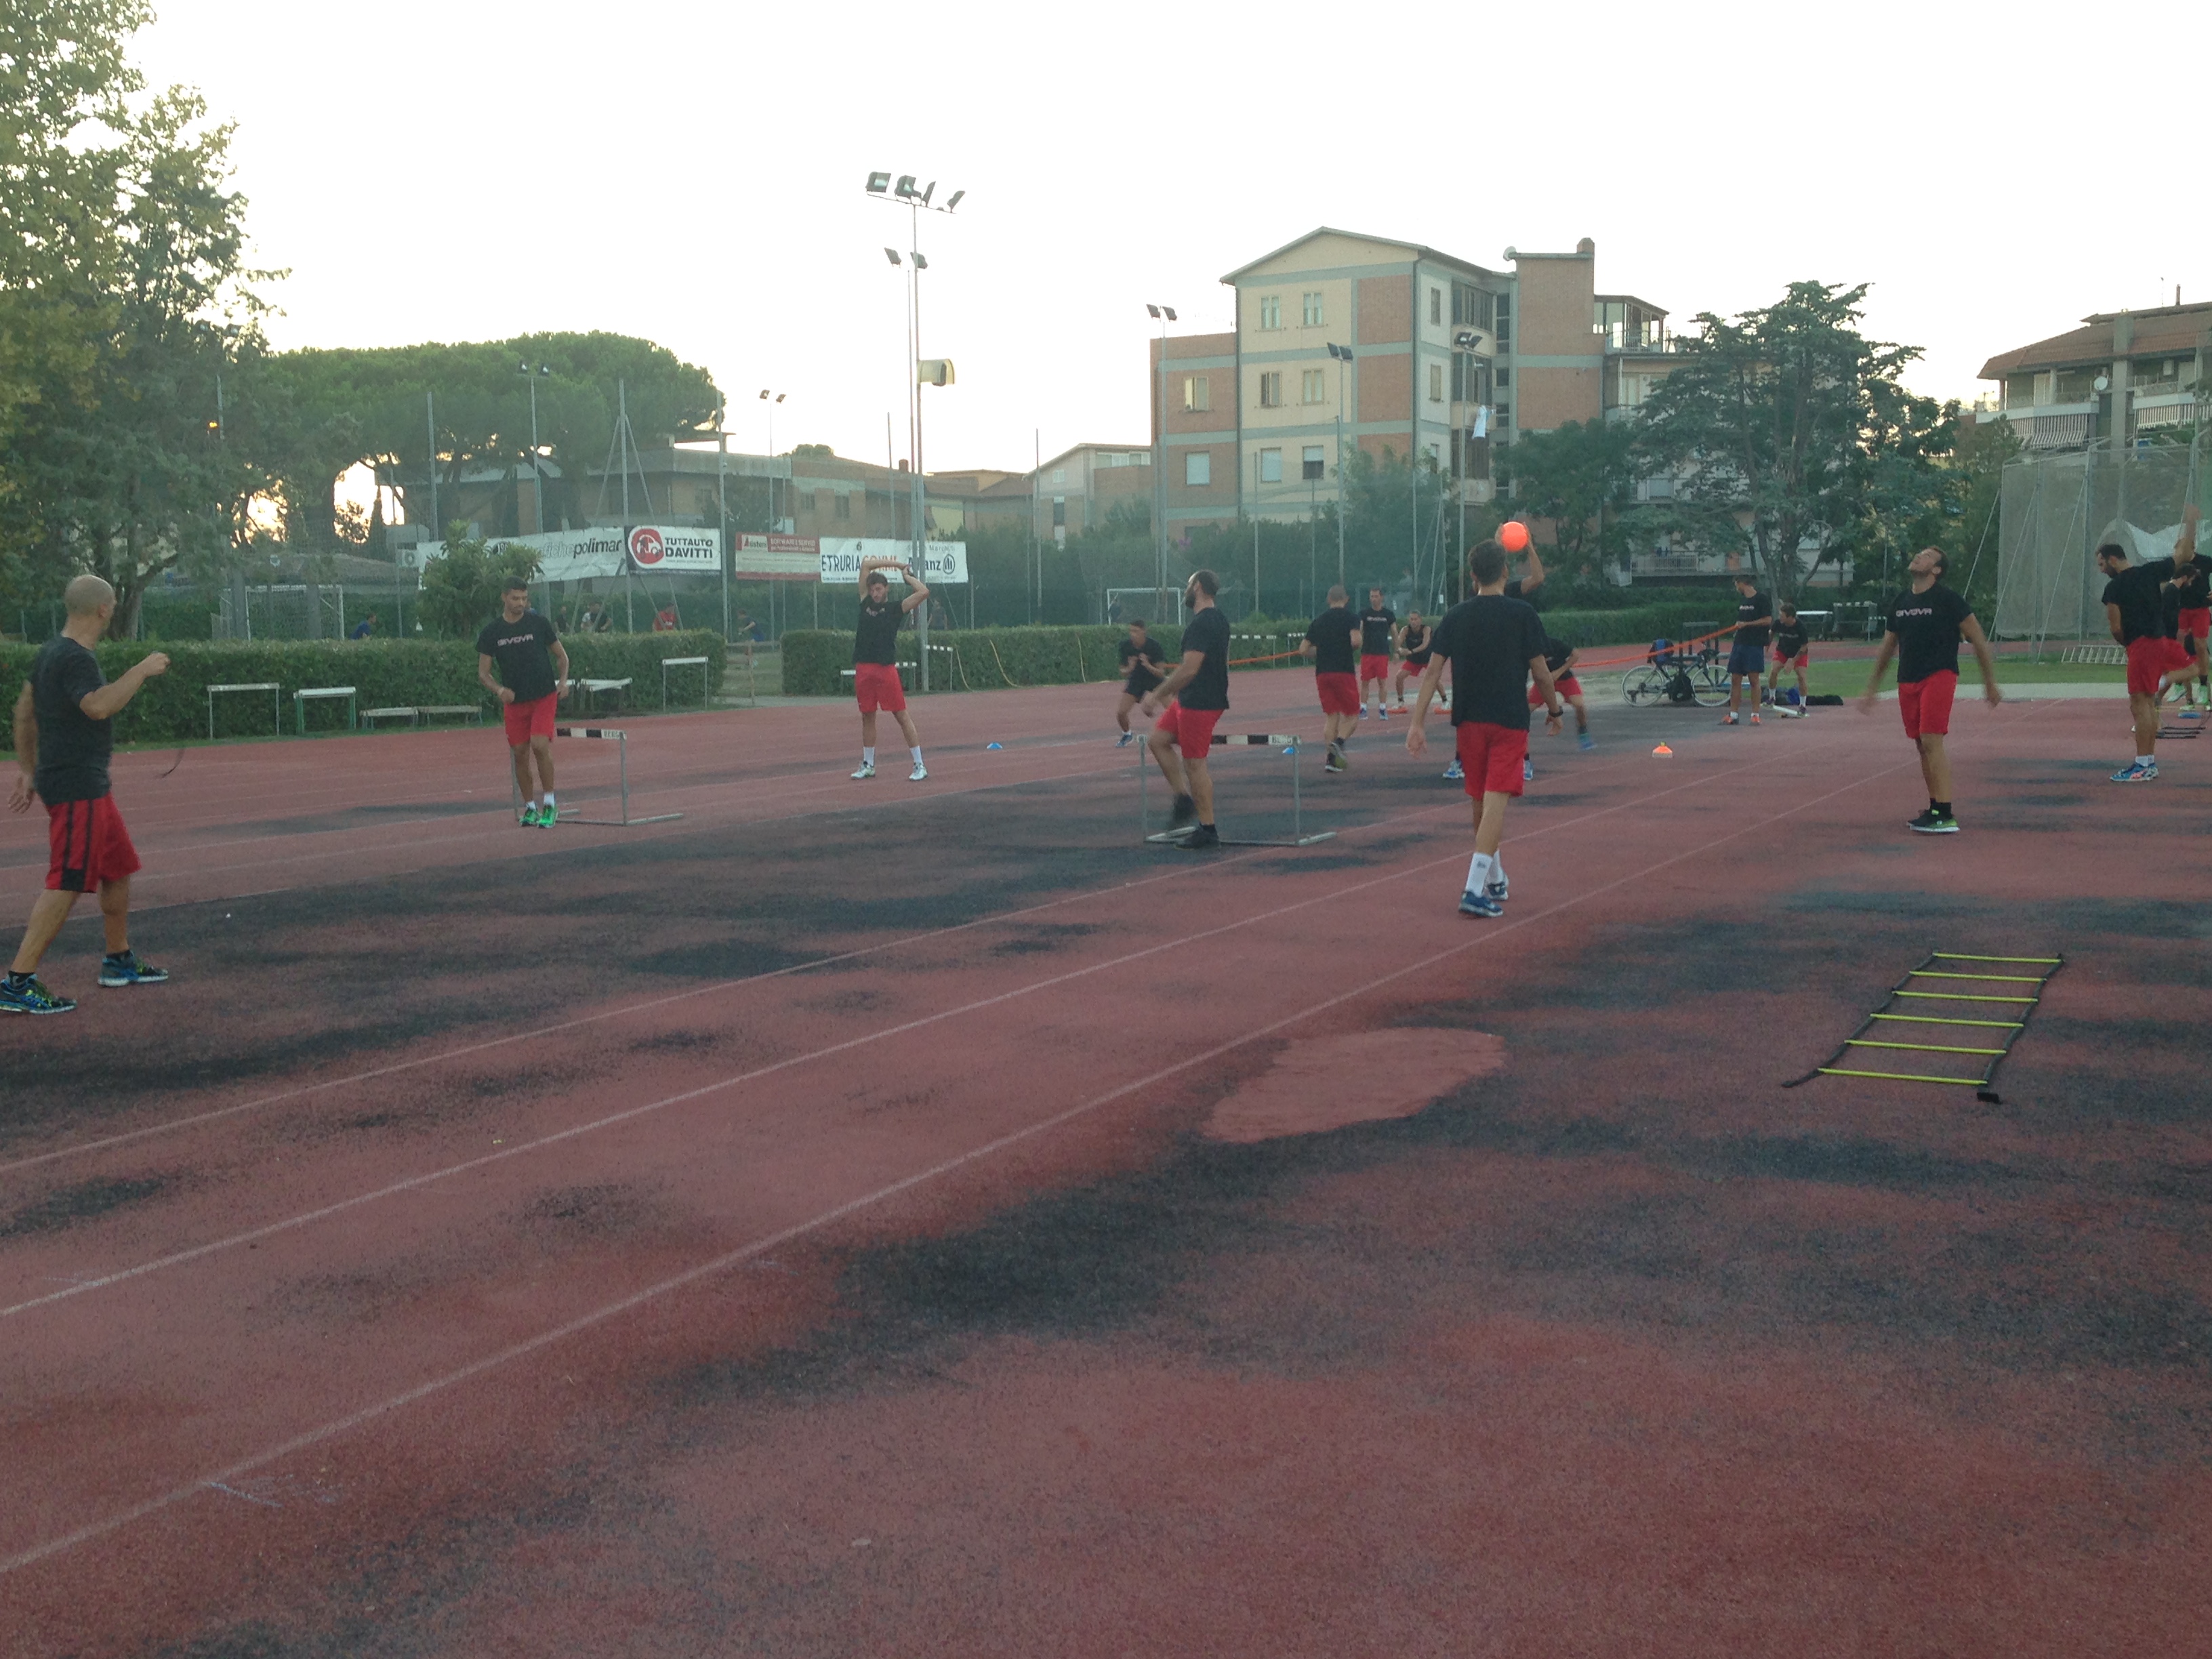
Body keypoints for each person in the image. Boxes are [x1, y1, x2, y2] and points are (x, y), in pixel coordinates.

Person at [3, 575, 170, 1015]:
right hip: (76, 784)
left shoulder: (50, 652)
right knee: (68, 878)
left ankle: (118, 959)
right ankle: (18, 982)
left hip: (81, 782)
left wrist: (27, 769)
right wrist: (141, 670)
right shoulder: (76, 658)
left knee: (118, 867)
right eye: (112, 604)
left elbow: (24, 711)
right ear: (103, 609)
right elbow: (97, 705)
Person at [1407, 540, 1561, 918]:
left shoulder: (1456, 616)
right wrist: (1555, 709)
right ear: (1505, 571)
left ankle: (1494, 877)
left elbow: (1431, 672)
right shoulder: (1522, 613)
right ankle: (1473, 889)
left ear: (1473, 576)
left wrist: (1417, 723)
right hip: (1508, 719)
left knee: (1480, 801)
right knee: (1495, 803)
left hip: (1469, 721)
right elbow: (1542, 672)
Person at [1855, 547, 2002, 832]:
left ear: (1936, 570)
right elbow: (1887, 647)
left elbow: (1978, 639)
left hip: (1939, 675)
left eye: (1927, 556)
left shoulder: (1948, 600)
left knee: (1932, 740)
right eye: (1919, 553)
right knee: (1921, 745)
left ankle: (1945, 813)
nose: (1919, 557)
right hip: (1907, 679)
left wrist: (1989, 683)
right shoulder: (1901, 602)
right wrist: (1872, 688)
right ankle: (1935, 807)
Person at [2097, 509, 2198, 782]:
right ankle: (2148, 762)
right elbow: (2184, 554)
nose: (2102, 569)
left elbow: (2116, 627)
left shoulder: (2114, 588)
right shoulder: (2151, 572)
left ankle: (2143, 764)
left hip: (2140, 646)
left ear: (2113, 558)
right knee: (2146, 704)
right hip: (2158, 641)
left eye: (2102, 564)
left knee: (2140, 704)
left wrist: (2128, 645)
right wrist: (2190, 522)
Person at [1139, 569, 1231, 850]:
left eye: (1189, 584)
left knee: (1195, 764)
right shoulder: (1220, 619)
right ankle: (1183, 799)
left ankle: (1208, 829)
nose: (1186, 590)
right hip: (1192, 699)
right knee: (1158, 740)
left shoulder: (1201, 624)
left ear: (1199, 587)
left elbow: (1190, 669)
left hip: (1200, 702)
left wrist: (1157, 694)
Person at [477, 579, 571, 827]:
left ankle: (550, 804)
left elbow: (562, 657)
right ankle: (530, 807)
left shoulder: (538, 623)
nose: (520, 603)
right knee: (520, 753)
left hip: (543, 696)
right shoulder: (492, 632)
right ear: (504, 598)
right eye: (515, 598)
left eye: (524, 598)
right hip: (515, 701)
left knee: (539, 745)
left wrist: (563, 682)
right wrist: (499, 690)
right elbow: (484, 673)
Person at [852, 556, 928, 781]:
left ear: (886, 589)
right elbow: (866, 565)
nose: (875, 593)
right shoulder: (865, 602)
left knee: (901, 715)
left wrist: (906, 575)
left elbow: (923, 592)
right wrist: (895, 564)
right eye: (872, 589)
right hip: (864, 668)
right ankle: (868, 764)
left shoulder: (896, 608)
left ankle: (919, 765)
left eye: (878, 589)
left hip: (885, 670)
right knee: (867, 716)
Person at [1300, 585, 1362, 773]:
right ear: (1346, 599)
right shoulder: (1351, 618)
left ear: (1328, 599)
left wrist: (1321, 652)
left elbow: (1303, 650)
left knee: (1331, 716)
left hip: (1323, 673)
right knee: (1352, 715)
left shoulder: (1318, 621)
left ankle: (1330, 760)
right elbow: (1356, 641)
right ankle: (1339, 742)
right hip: (1343, 671)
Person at [1524, 634, 1593, 776]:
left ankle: (1583, 732)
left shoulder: (1552, 643)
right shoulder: (1528, 648)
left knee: (1579, 705)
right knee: (1523, 712)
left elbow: (1576, 654)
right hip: (1543, 683)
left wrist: (1558, 672)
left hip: (1564, 679)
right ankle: (1524, 758)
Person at [1721, 571, 1773, 725]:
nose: (1736, 588)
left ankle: (1755, 714)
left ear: (1742, 583)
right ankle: (1733, 714)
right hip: (1740, 643)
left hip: (1754, 644)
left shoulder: (1761, 599)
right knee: (1735, 678)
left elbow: (1767, 620)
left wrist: (1747, 624)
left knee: (1753, 679)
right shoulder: (1743, 601)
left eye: (1736, 584)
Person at [1114, 619, 1166, 745]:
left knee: (1174, 708)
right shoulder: (1125, 646)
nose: (1133, 634)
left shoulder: (1154, 646)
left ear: (1144, 631)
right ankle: (1127, 734)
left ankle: (1182, 733)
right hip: (1136, 680)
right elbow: (1122, 671)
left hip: (1155, 680)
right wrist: (1130, 668)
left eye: (1136, 631)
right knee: (1121, 713)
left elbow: (1161, 672)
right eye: (1131, 631)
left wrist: (1148, 665)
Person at [1355, 586, 1397, 720]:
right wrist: (1357, 641)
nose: (1373, 599)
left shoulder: (1388, 614)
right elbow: (1359, 629)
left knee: (1382, 682)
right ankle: (1363, 708)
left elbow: (1394, 633)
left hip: (1382, 653)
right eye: (1372, 596)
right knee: (1365, 682)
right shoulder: (1364, 613)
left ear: (1381, 597)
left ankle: (1383, 709)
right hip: (1367, 653)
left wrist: (1397, 651)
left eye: (1376, 596)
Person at [1765, 602, 1810, 715]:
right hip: (1782, 651)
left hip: (1799, 653)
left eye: (1782, 615)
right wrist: (1767, 646)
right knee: (1773, 671)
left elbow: (1804, 647)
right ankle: (1772, 697)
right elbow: (1771, 633)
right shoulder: (1778, 623)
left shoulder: (1801, 627)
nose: (1780, 617)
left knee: (1802, 677)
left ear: (1790, 617)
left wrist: (1792, 661)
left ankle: (1802, 705)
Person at [1391, 611, 1432, 711]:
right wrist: (1398, 652)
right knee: (1399, 677)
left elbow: (1424, 645)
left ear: (1420, 620)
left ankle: (1445, 701)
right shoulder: (1405, 630)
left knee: (1434, 679)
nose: (1413, 622)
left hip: (1427, 658)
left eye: (1416, 619)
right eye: (1411, 619)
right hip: (1413, 660)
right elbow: (1398, 643)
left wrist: (1411, 651)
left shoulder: (1426, 629)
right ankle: (1401, 702)